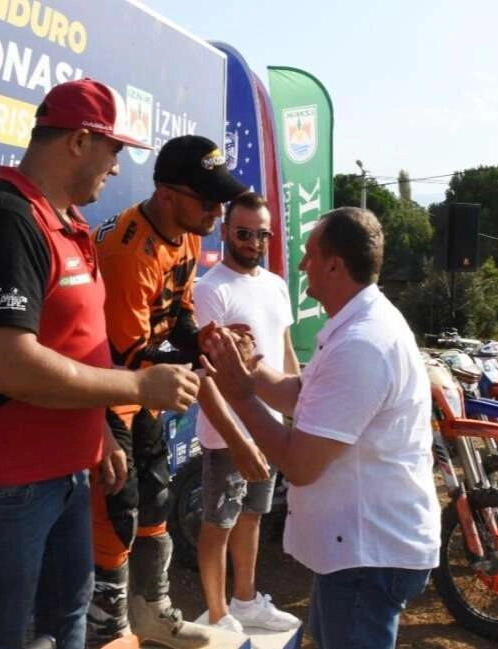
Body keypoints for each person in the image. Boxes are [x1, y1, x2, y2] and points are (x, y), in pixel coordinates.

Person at [0, 79, 201, 649]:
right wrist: (136, 385)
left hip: (63, 471)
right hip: (0, 481)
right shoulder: (3, 220)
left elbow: (73, 343)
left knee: (67, 620)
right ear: (78, 141)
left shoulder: (67, 223)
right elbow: (9, 367)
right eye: (113, 150)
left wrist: (98, 428)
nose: (117, 168)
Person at [201, 207, 441, 649]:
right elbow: (301, 394)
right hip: (357, 551)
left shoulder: (362, 344)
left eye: (309, 255)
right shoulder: (357, 326)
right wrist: (249, 368)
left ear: (334, 266)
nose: (300, 265)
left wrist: (241, 395)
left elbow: (300, 465)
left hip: (366, 555)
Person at [88, 135, 248, 647]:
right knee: (117, 509)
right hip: (105, 390)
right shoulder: (128, 249)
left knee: (156, 498)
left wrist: (206, 340)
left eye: (220, 201)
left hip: (143, 390)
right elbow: (129, 354)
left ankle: (151, 610)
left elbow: (177, 314)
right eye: (208, 201)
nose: (217, 212)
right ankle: (108, 629)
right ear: (167, 195)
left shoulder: (187, 233)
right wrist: (204, 363)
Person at [193, 192, 301, 634]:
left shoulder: (275, 284)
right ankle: (217, 613)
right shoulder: (209, 289)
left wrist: (298, 410)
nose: (254, 242)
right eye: (243, 233)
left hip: (268, 427)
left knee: (253, 514)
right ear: (225, 232)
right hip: (228, 434)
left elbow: (285, 350)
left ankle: (245, 600)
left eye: (263, 234)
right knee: (218, 521)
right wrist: (235, 438)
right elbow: (205, 373)